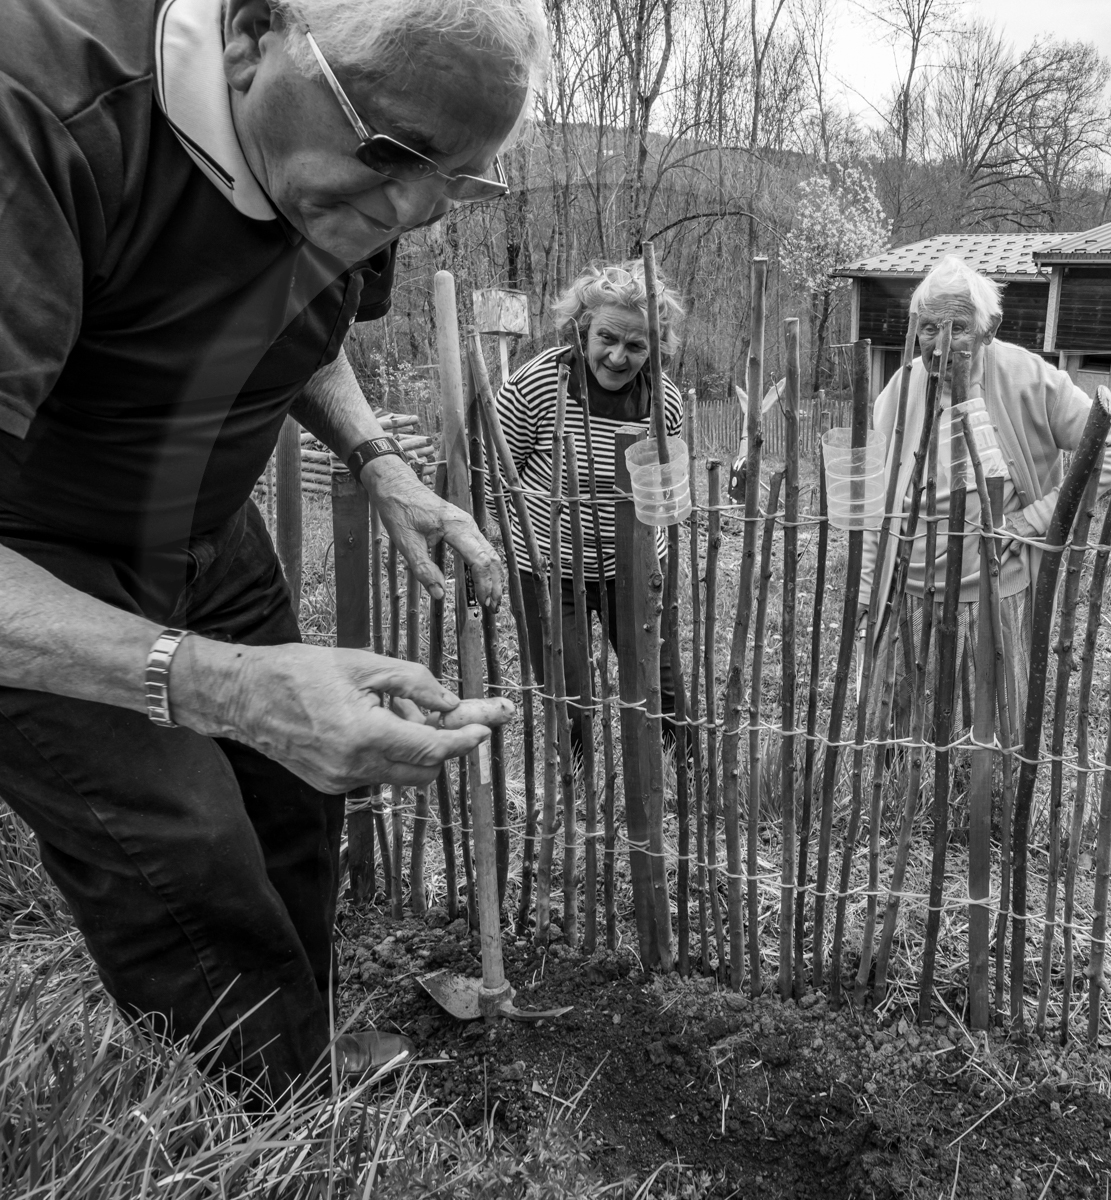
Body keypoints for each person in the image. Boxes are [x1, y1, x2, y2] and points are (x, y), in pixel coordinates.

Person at [0, 0, 547, 1096]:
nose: (414, 210)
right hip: (40, 559)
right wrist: (225, 688)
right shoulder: (42, 118)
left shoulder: (343, 156)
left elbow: (297, 318)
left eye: (459, 180)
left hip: (206, 528)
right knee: (187, 853)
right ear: (254, 33)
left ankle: (300, 1036)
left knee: (296, 803)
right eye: (395, 155)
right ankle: (271, 1119)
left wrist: (376, 462)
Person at [859, 256, 1111, 738]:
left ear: (990, 328)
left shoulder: (1025, 376)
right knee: (904, 736)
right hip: (908, 590)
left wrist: (1036, 518)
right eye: (928, 329)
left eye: (959, 328)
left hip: (991, 594)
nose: (941, 346)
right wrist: (867, 593)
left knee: (987, 733)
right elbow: (874, 502)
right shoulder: (900, 391)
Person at [492, 261, 686, 760]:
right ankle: (574, 782)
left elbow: (663, 489)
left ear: (656, 347)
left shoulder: (662, 402)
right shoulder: (537, 385)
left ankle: (683, 770)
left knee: (658, 684)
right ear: (583, 330)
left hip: (634, 569)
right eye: (607, 338)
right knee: (568, 692)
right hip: (553, 571)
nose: (618, 356)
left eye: (636, 345)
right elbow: (495, 468)